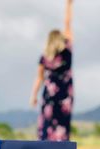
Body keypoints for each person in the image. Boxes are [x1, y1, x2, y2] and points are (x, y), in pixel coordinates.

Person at [30, 0, 74, 141]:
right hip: (65, 93)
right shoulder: (67, 49)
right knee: (62, 124)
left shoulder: (44, 57)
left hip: (50, 93)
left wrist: (34, 96)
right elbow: (67, 23)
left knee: (47, 124)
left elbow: (39, 78)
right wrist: (68, 5)